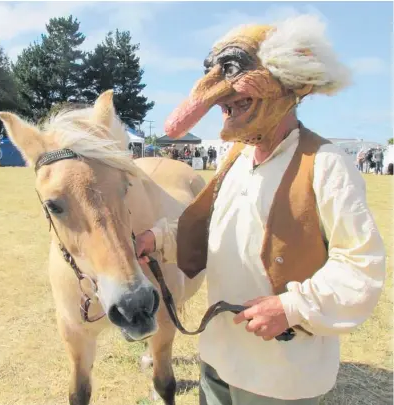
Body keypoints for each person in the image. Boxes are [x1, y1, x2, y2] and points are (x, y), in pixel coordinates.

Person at [136, 15, 385, 405]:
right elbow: (212, 228)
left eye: (238, 89)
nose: (225, 105)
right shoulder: (236, 158)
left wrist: (291, 308)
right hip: (218, 356)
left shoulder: (326, 163)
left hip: (279, 375)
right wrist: (159, 238)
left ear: (286, 85)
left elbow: (361, 265)